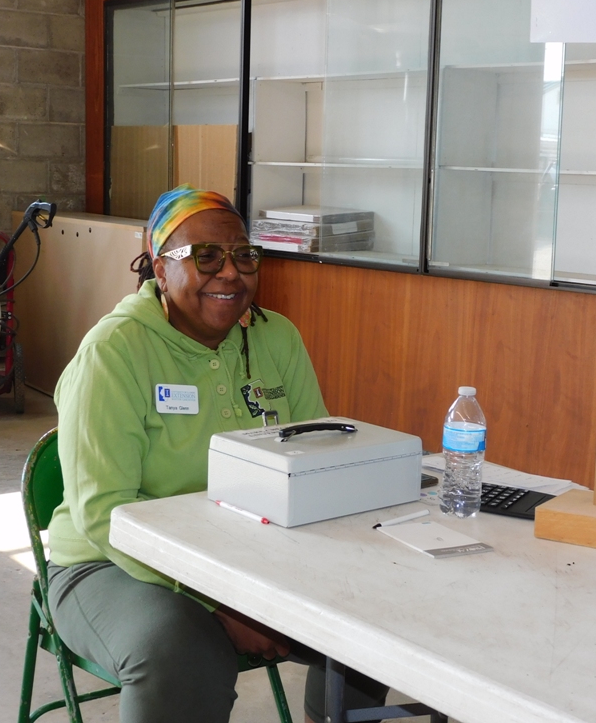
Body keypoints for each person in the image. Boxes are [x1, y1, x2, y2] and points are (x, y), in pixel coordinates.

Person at [45, 185, 388, 723]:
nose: (230, 273)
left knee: (372, 613)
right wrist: (220, 604)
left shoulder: (277, 339)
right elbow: (103, 513)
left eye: (244, 255)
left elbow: (315, 464)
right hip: (110, 563)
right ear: (161, 269)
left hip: (249, 550)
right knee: (179, 650)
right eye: (205, 256)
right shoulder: (114, 353)